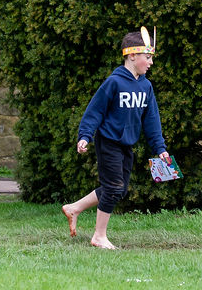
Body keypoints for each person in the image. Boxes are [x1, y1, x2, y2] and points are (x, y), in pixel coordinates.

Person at [61, 27, 171, 249]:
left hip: (126, 144)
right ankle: (98, 237)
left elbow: (152, 120)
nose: (151, 63)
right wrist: (85, 136)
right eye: (147, 57)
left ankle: (74, 208)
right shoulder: (114, 82)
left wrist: (160, 148)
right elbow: (95, 111)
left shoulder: (146, 86)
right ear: (132, 55)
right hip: (108, 142)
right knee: (112, 187)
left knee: (118, 189)